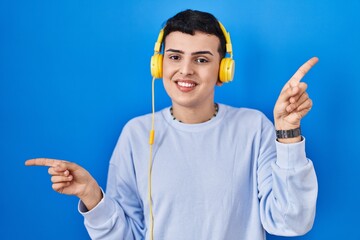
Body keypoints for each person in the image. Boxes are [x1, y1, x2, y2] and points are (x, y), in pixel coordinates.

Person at [25, 9, 318, 240]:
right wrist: (92, 195)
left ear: (223, 70)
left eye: (201, 59)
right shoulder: (136, 134)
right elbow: (123, 237)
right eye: (175, 56)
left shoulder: (254, 127)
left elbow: (291, 221)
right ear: (159, 64)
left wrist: (287, 132)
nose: (185, 70)